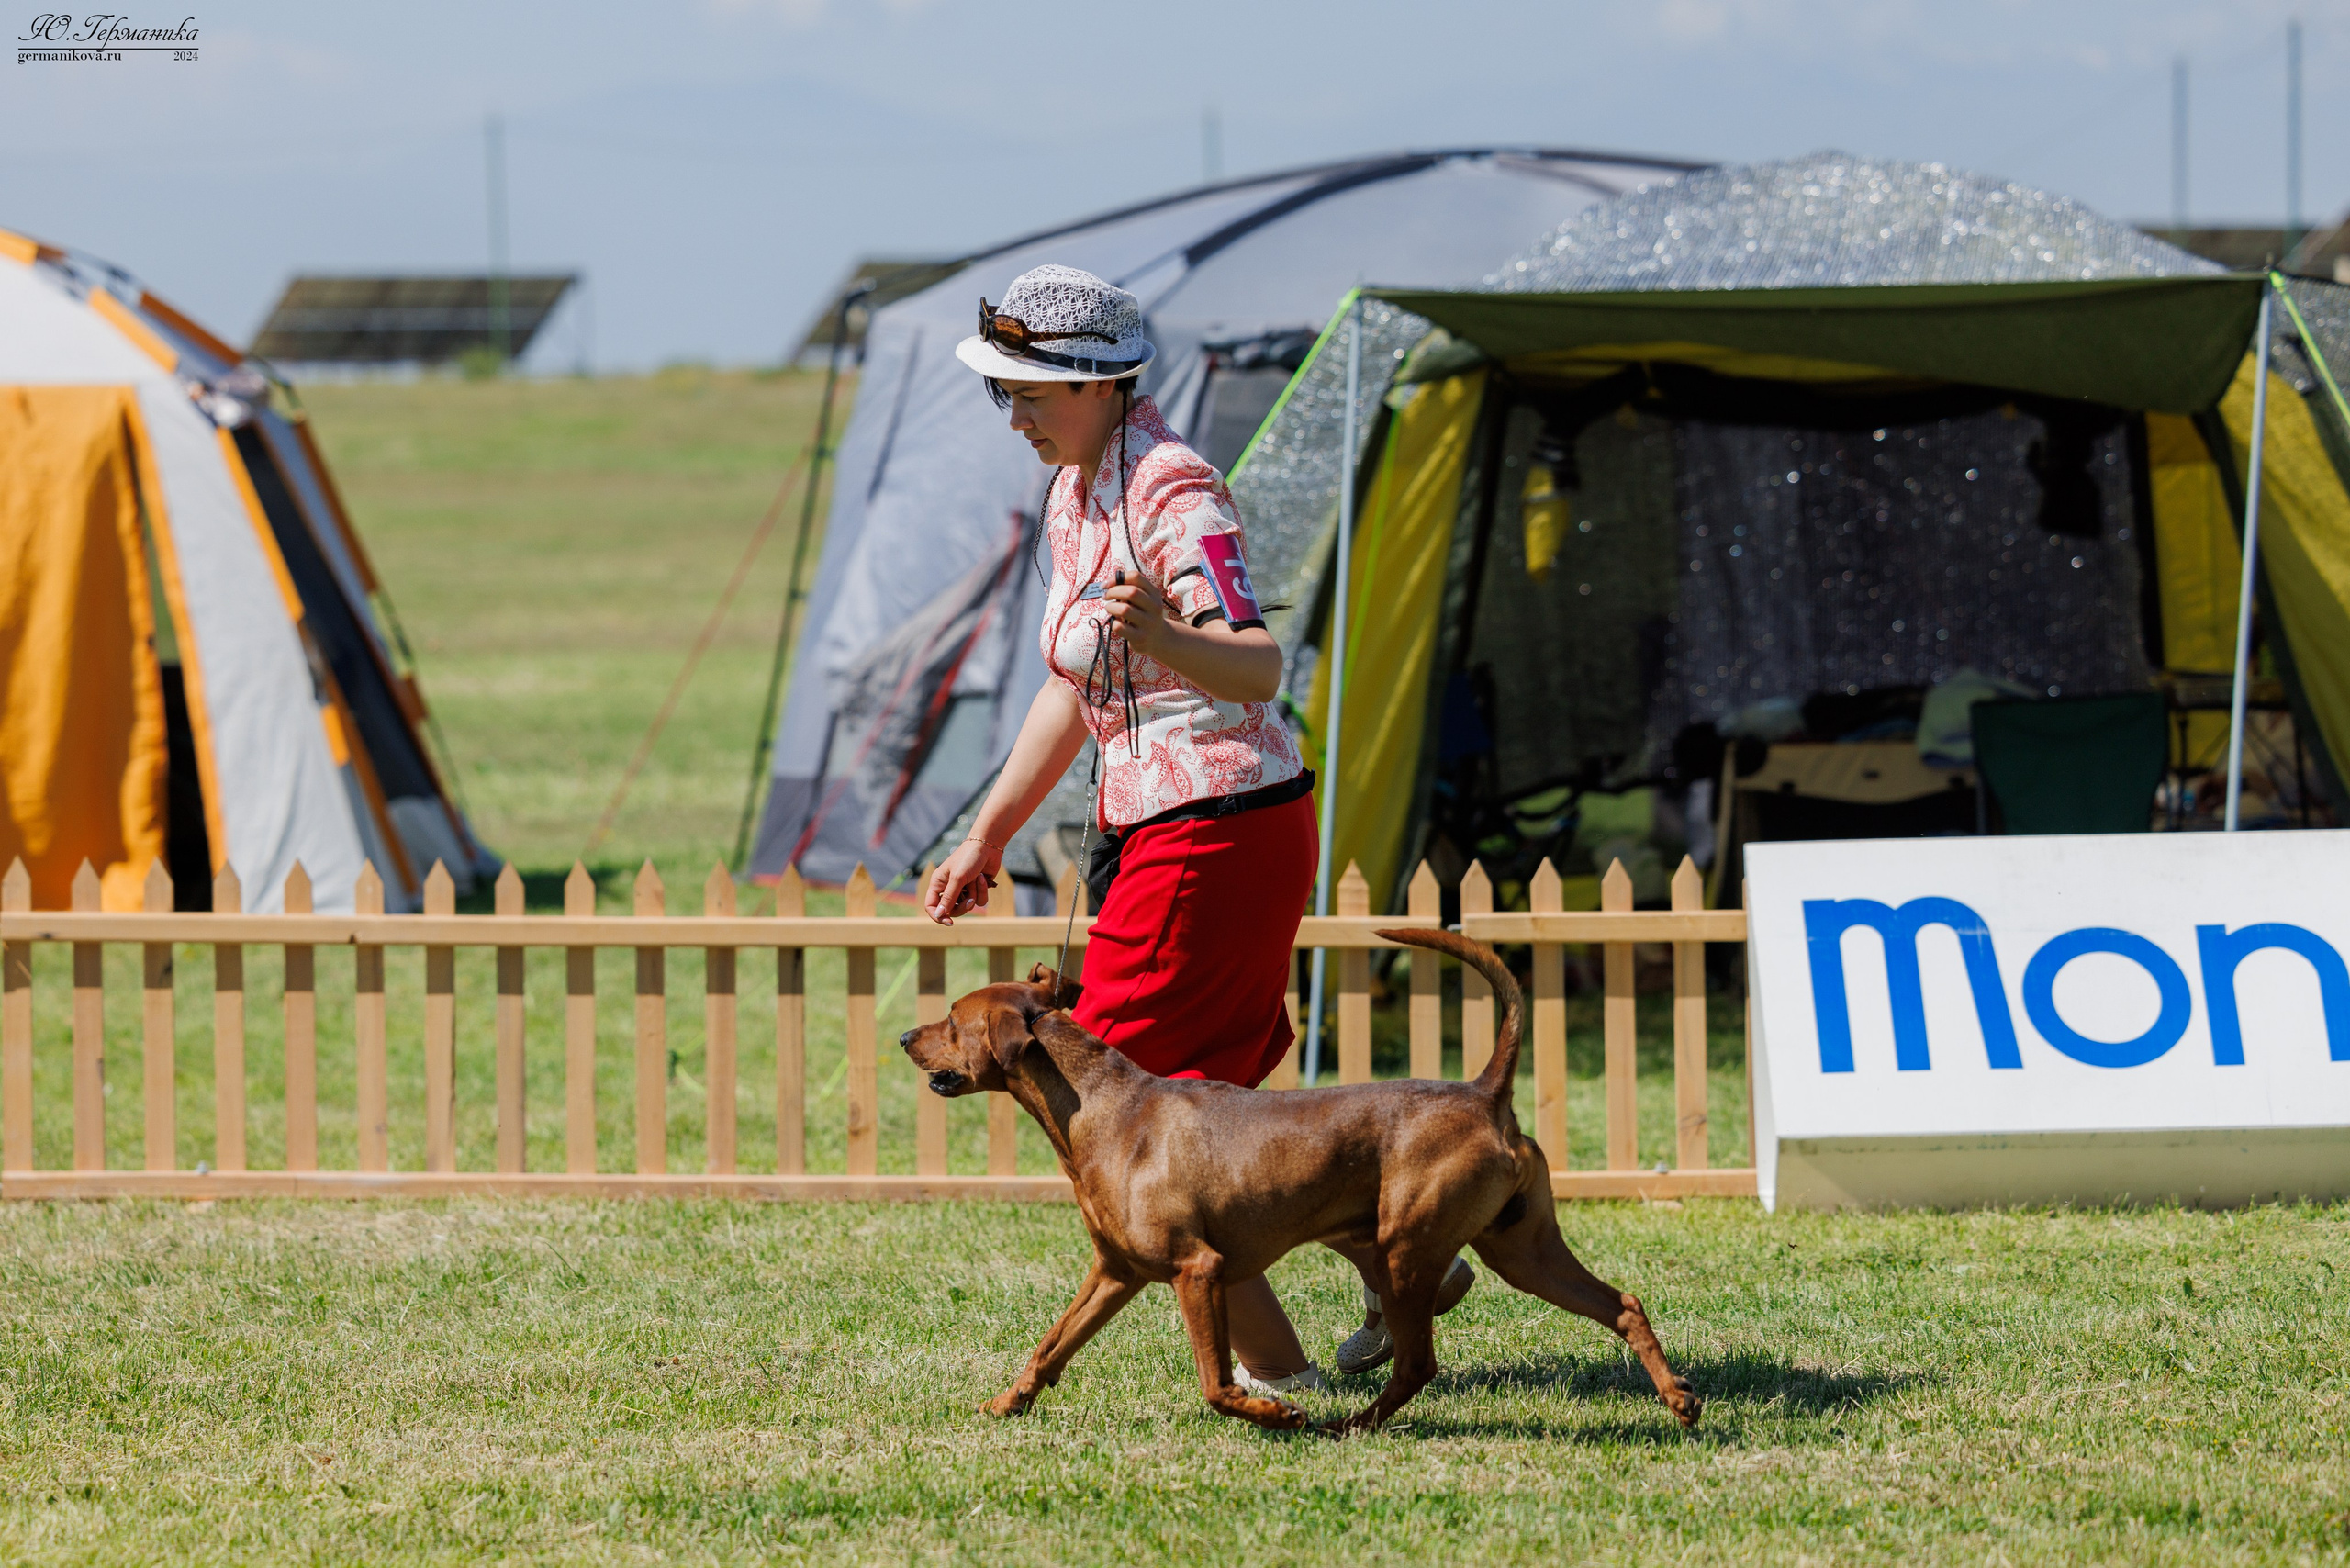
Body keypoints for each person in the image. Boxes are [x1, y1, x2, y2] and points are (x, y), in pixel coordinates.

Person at [924, 264, 1471, 1392]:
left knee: (1122, 1105)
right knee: (1197, 1110)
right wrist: (987, 832)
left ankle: (1278, 1376)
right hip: (1169, 829)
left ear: (1102, 382)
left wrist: (1168, 637)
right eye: (1001, 393)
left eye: (1028, 391)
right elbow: (1070, 685)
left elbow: (1258, 664)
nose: (1012, 415)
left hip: (1215, 829)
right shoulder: (1074, 492)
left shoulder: (1174, 489)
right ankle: (1387, 1250)